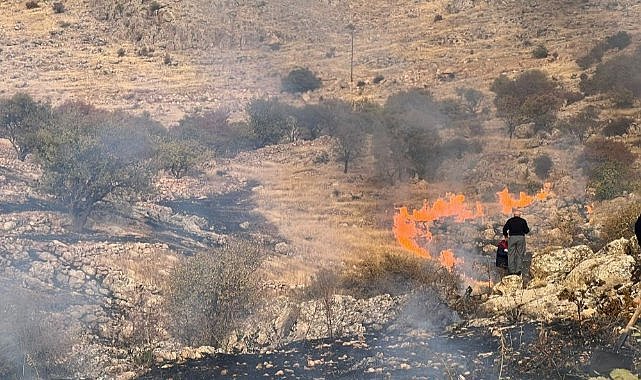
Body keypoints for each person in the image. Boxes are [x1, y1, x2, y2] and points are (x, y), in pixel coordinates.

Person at [502, 208, 530, 275]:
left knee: (511, 254)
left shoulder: (510, 220)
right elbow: (527, 231)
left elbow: (504, 229)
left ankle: (511, 271)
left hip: (512, 238)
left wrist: (506, 236)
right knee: (520, 254)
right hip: (520, 238)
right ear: (519, 215)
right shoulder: (523, 221)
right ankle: (518, 270)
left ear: (514, 215)